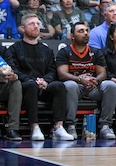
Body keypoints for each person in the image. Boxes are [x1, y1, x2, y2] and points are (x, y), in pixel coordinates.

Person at [7, 13, 75, 141]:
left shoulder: (47, 50)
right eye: (32, 24)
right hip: (25, 87)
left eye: (38, 24)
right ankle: (35, 127)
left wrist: (46, 80)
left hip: (44, 86)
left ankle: (58, 127)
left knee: (59, 86)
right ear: (23, 28)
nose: (36, 26)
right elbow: (14, 70)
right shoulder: (14, 49)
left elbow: (52, 70)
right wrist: (31, 80)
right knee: (31, 85)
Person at [55, 22, 116, 140]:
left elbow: (102, 73)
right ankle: (71, 125)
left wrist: (96, 79)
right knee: (70, 85)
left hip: (92, 86)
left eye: (86, 31)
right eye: (81, 31)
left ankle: (105, 125)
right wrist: (80, 79)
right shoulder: (64, 52)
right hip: (76, 87)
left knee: (110, 85)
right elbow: (62, 74)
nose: (85, 33)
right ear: (72, 36)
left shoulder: (95, 51)